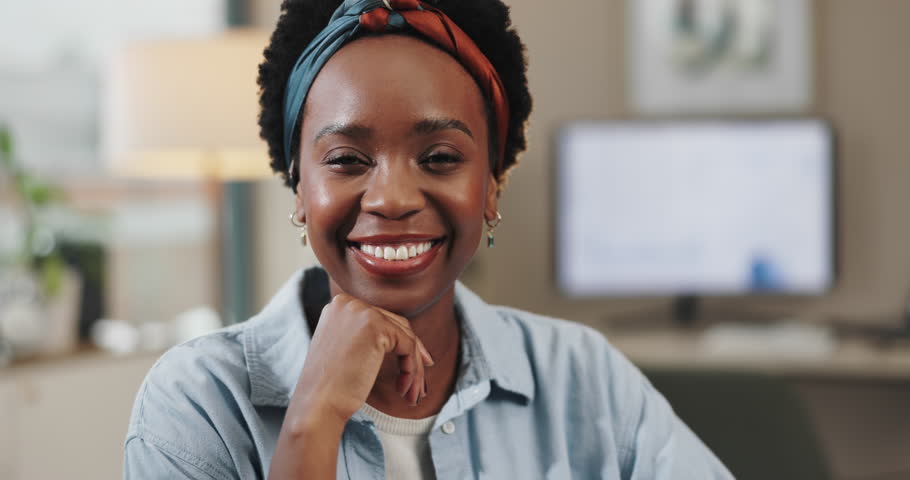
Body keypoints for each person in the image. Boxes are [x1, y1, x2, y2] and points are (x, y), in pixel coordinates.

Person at [124, 0, 733, 478]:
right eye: (346, 159)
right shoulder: (198, 404)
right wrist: (312, 419)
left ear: (492, 187)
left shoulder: (584, 378)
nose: (391, 197)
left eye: (440, 156)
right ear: (299, 190)